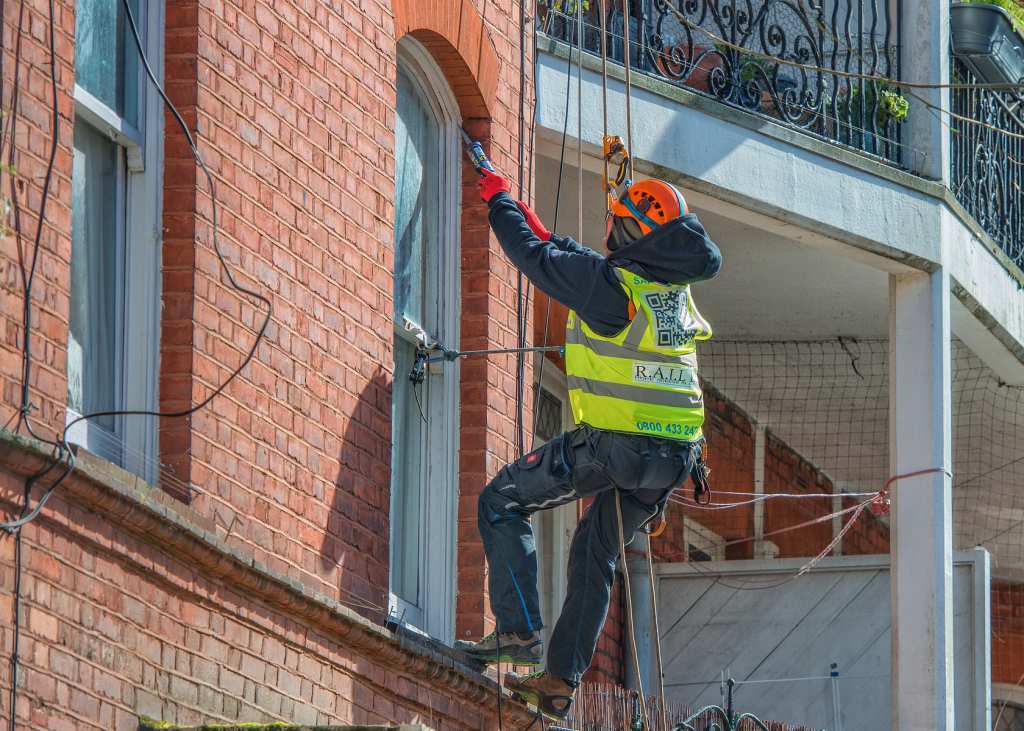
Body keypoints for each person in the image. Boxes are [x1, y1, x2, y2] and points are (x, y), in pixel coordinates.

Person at [453, 168, 722, 720]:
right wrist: (553, 237)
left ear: (631, 231)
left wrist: (501, 201)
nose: (608, 230)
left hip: (617, 448)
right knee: (593, 552)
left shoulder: (609, 288)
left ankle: (517, 633)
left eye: (615, 223)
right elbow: (581, 266)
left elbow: (532, 260)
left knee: (501, 501)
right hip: (672, 462)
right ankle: (558, 683)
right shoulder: (668, 290)